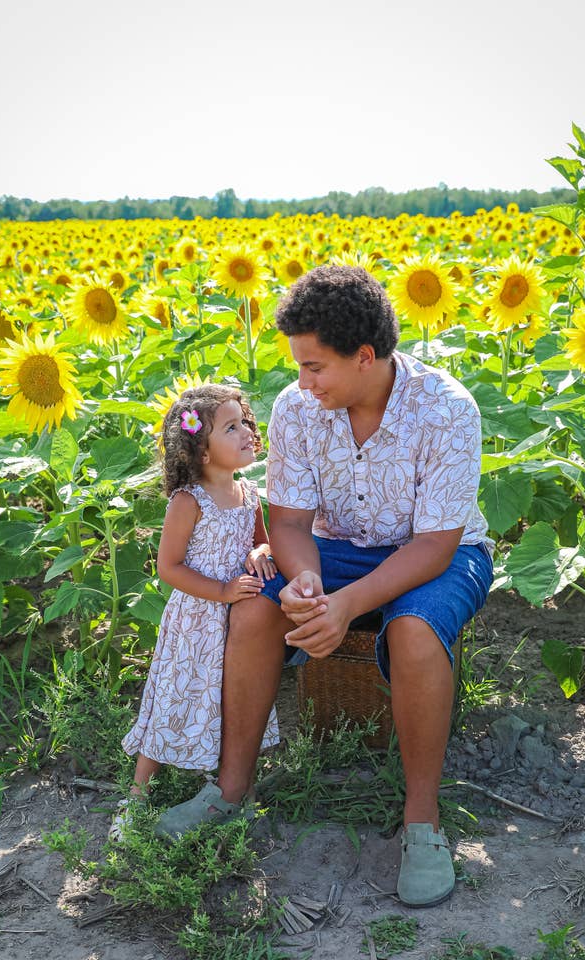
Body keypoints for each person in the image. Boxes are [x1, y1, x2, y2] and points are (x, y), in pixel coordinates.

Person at [156, 266, 494, 907]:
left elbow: (434, 544)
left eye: (315, 367)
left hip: (439, 554)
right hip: (333, 549)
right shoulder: (296, 409)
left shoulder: (447, 410)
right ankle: (231, 791)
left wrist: (347, 605)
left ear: (365, 357)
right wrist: (307, 580)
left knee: (415, 631)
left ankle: (422, 823)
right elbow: (286, 520)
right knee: (256, 609)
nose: (302, 382)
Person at [110, 383, 279, 841]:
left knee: (229, 698)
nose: (246, 431)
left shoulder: (248, 493)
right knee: (173, 699)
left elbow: (261, 538)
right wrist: (221, 590)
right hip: (196, 622)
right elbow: (169, 567)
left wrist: (259, 553)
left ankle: (231, 785)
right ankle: (138, 796)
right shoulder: (189, 501)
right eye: (231, 427)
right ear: (202, 452)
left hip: (236, 616)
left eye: (244, 421)